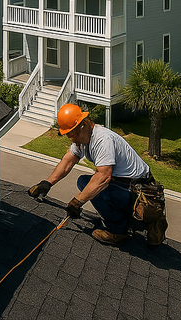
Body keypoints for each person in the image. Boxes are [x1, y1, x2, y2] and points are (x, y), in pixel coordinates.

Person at [28, 103, 168, 246]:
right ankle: (144, 223)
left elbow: (103, 177)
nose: (71, 138)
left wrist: (77, 202)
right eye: (68, 135)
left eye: (72, 134)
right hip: (125, 185)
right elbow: (68, 161)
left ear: (82, 125)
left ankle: (119, 230)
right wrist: (47, 183)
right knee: (84, 181)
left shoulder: (102, 140)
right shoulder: (83, 140)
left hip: (138, 190)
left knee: (93, 187)